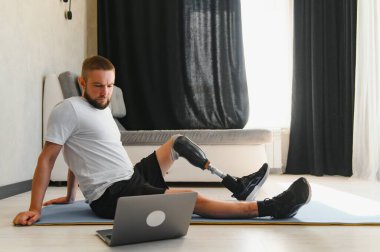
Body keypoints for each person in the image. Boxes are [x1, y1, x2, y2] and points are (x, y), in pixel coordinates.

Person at [13, 56, 311, 225]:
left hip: (130, 176)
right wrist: (36, 208)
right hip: (111, 196)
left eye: (109, 85)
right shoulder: (68, 110)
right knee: (190, 199)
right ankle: (269, 208)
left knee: (177, 142)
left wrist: (69, 197)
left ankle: (235, 183)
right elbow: (49, 158)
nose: (104, 92)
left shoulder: (102, 109)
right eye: (97, 86)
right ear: (82, 82)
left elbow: (79, 156)